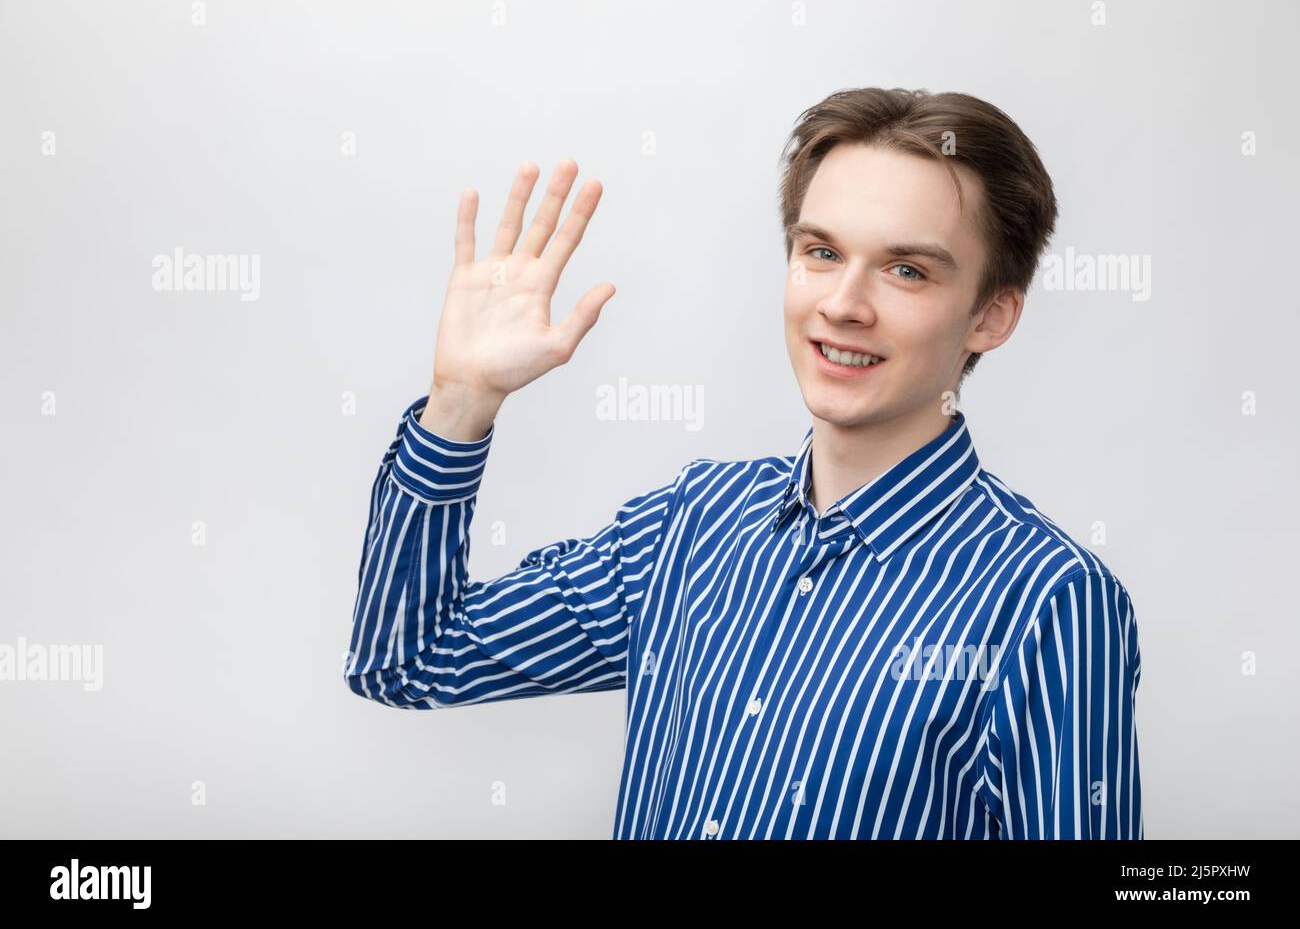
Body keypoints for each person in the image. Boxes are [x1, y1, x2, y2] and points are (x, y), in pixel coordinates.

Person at [344, 86, 1142, 840]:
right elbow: (410, 659)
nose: (843, 304)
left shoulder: (1049, 602)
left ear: (992, 316)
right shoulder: (694, 523)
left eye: (907, 270)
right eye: (821, 251)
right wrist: (459, 404)